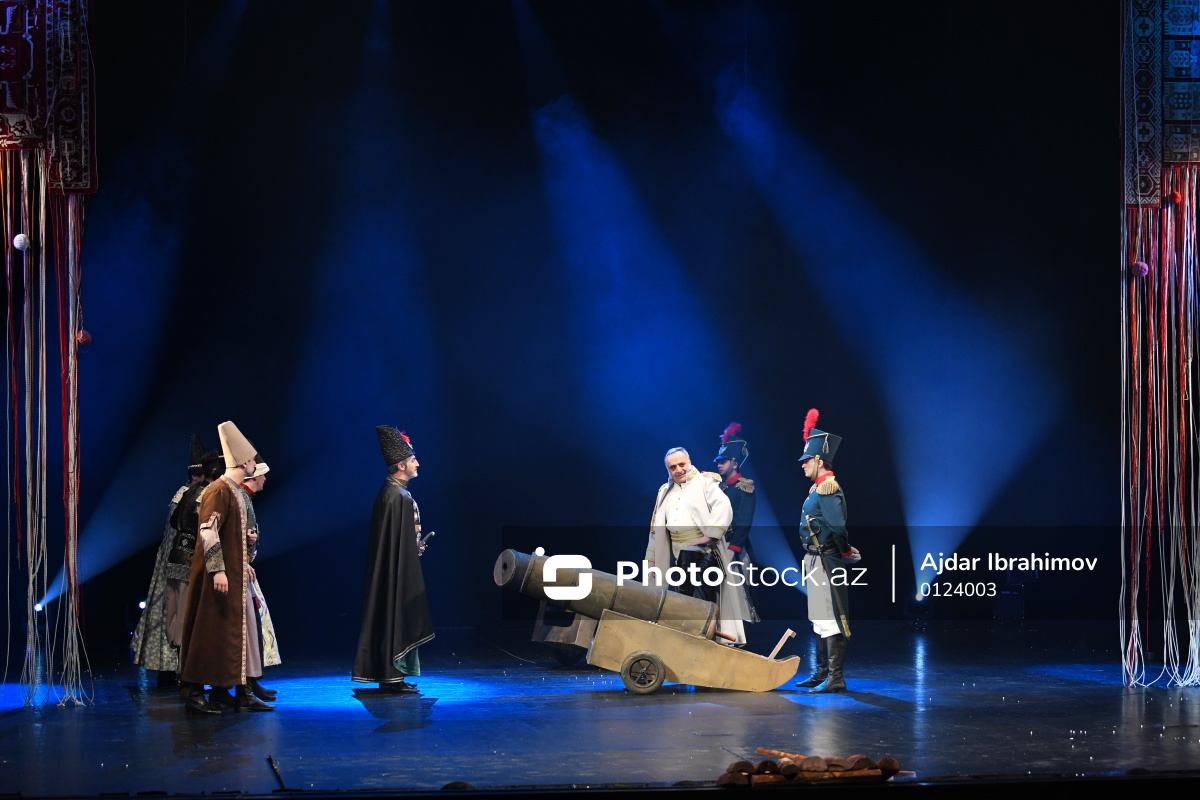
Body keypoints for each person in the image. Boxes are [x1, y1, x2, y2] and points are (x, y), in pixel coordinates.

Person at [178, 421, 274, 713]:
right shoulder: (219, 490)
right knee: (208, 630)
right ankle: (195, 692)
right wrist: (217, 569)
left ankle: (232, 691)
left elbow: (229, 532)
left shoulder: (234, 491)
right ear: (244, 463)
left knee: (232, 633)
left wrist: (246, 549)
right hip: (216, 576)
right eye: (252, 460)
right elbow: (208, 531)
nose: (254, 465)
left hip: (234, 574)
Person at [352, 426, 434, 693]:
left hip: (392, 568)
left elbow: (398, 540)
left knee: (391, 616)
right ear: (401, 465)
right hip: (394, 573)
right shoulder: (397, 497)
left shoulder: (392, 492)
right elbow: (395, 543)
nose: (417, 464)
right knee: (395, 615)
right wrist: (410, 552)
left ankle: (394, 677)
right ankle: (392, 678)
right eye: (413, 460)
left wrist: (412, 547)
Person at [645, 447, 753, 646]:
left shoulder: (705, 482)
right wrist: (651, 557)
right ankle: (687, 641)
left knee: (701, 602)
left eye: (682, 464)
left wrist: (710, 535)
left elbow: (723, 506)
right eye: (673, 467)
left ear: (689, 462)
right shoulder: (664, 491)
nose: (678, 470)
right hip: (677, 554)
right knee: (682, 599)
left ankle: (704, 642)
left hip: (703, 553)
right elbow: (656, 529)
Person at [130, 435, 211, 686]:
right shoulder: (188, 496)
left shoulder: (190, 494)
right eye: (198, 475)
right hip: (178, 561)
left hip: (178, 560)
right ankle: (173, 669)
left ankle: (180, 669)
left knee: (177, 612)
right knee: (174, 612)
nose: (201, 479)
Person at [794, 409, 858, 693]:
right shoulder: (817, 489)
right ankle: (822, 673)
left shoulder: (829, 488)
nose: (803, 465)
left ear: (819, 461)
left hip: (827, 560)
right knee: (819, 619)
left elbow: (837, 527)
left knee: (832, 618)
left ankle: (835, 677)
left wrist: (845, 552)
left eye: (807, 460)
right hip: (815, 559)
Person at [236, 457, 281, 705]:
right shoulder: (240, 497)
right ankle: (246, 686)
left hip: (244, 567)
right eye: (262, 474)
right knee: (248, 628)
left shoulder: (246, 499)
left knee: (255, 627)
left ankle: (252, 682)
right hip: (237, 570)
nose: (265, 479)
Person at [713, 422, 760, 624]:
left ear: (734, 463)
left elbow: (744, 522)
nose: (719, 465)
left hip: (735, 547)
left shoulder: (744, 487)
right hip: (719, 544)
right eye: (718, 461)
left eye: (723, 461)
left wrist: (733, 549)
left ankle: (742, 634)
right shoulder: (721, 488)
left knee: (739, 594)